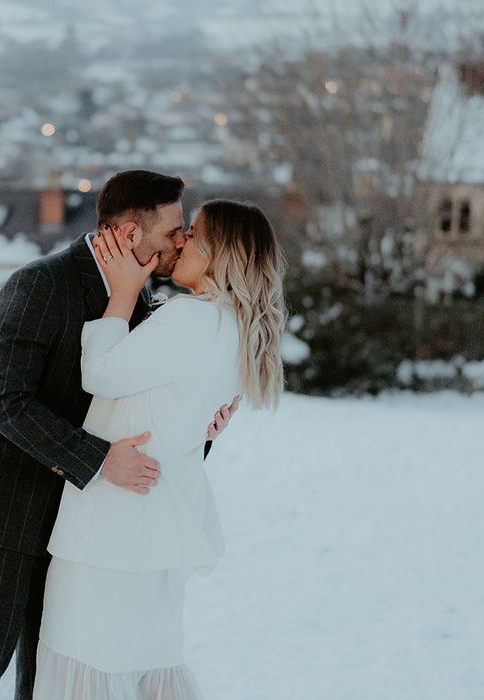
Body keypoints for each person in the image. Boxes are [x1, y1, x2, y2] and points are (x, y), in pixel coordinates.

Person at [0, 171, 239, 700]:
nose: (181, 242)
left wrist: (202, 428)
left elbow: (144, 407)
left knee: (45, 682)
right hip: (5, 519)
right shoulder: (37, 285)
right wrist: (98, 460)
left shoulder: (145, 305)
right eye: (172, 230)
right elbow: (8, 404)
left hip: (79, 534)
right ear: (128, 235)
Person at [33, 199, 287, 699]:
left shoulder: (190, 320)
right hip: (158, 533)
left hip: (110, 532)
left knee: (88, 665)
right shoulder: (234, 327)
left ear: (220, 252)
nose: (182, 241)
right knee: (146, 667)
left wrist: (124, 293)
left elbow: (99, 373)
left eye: (194, 234)